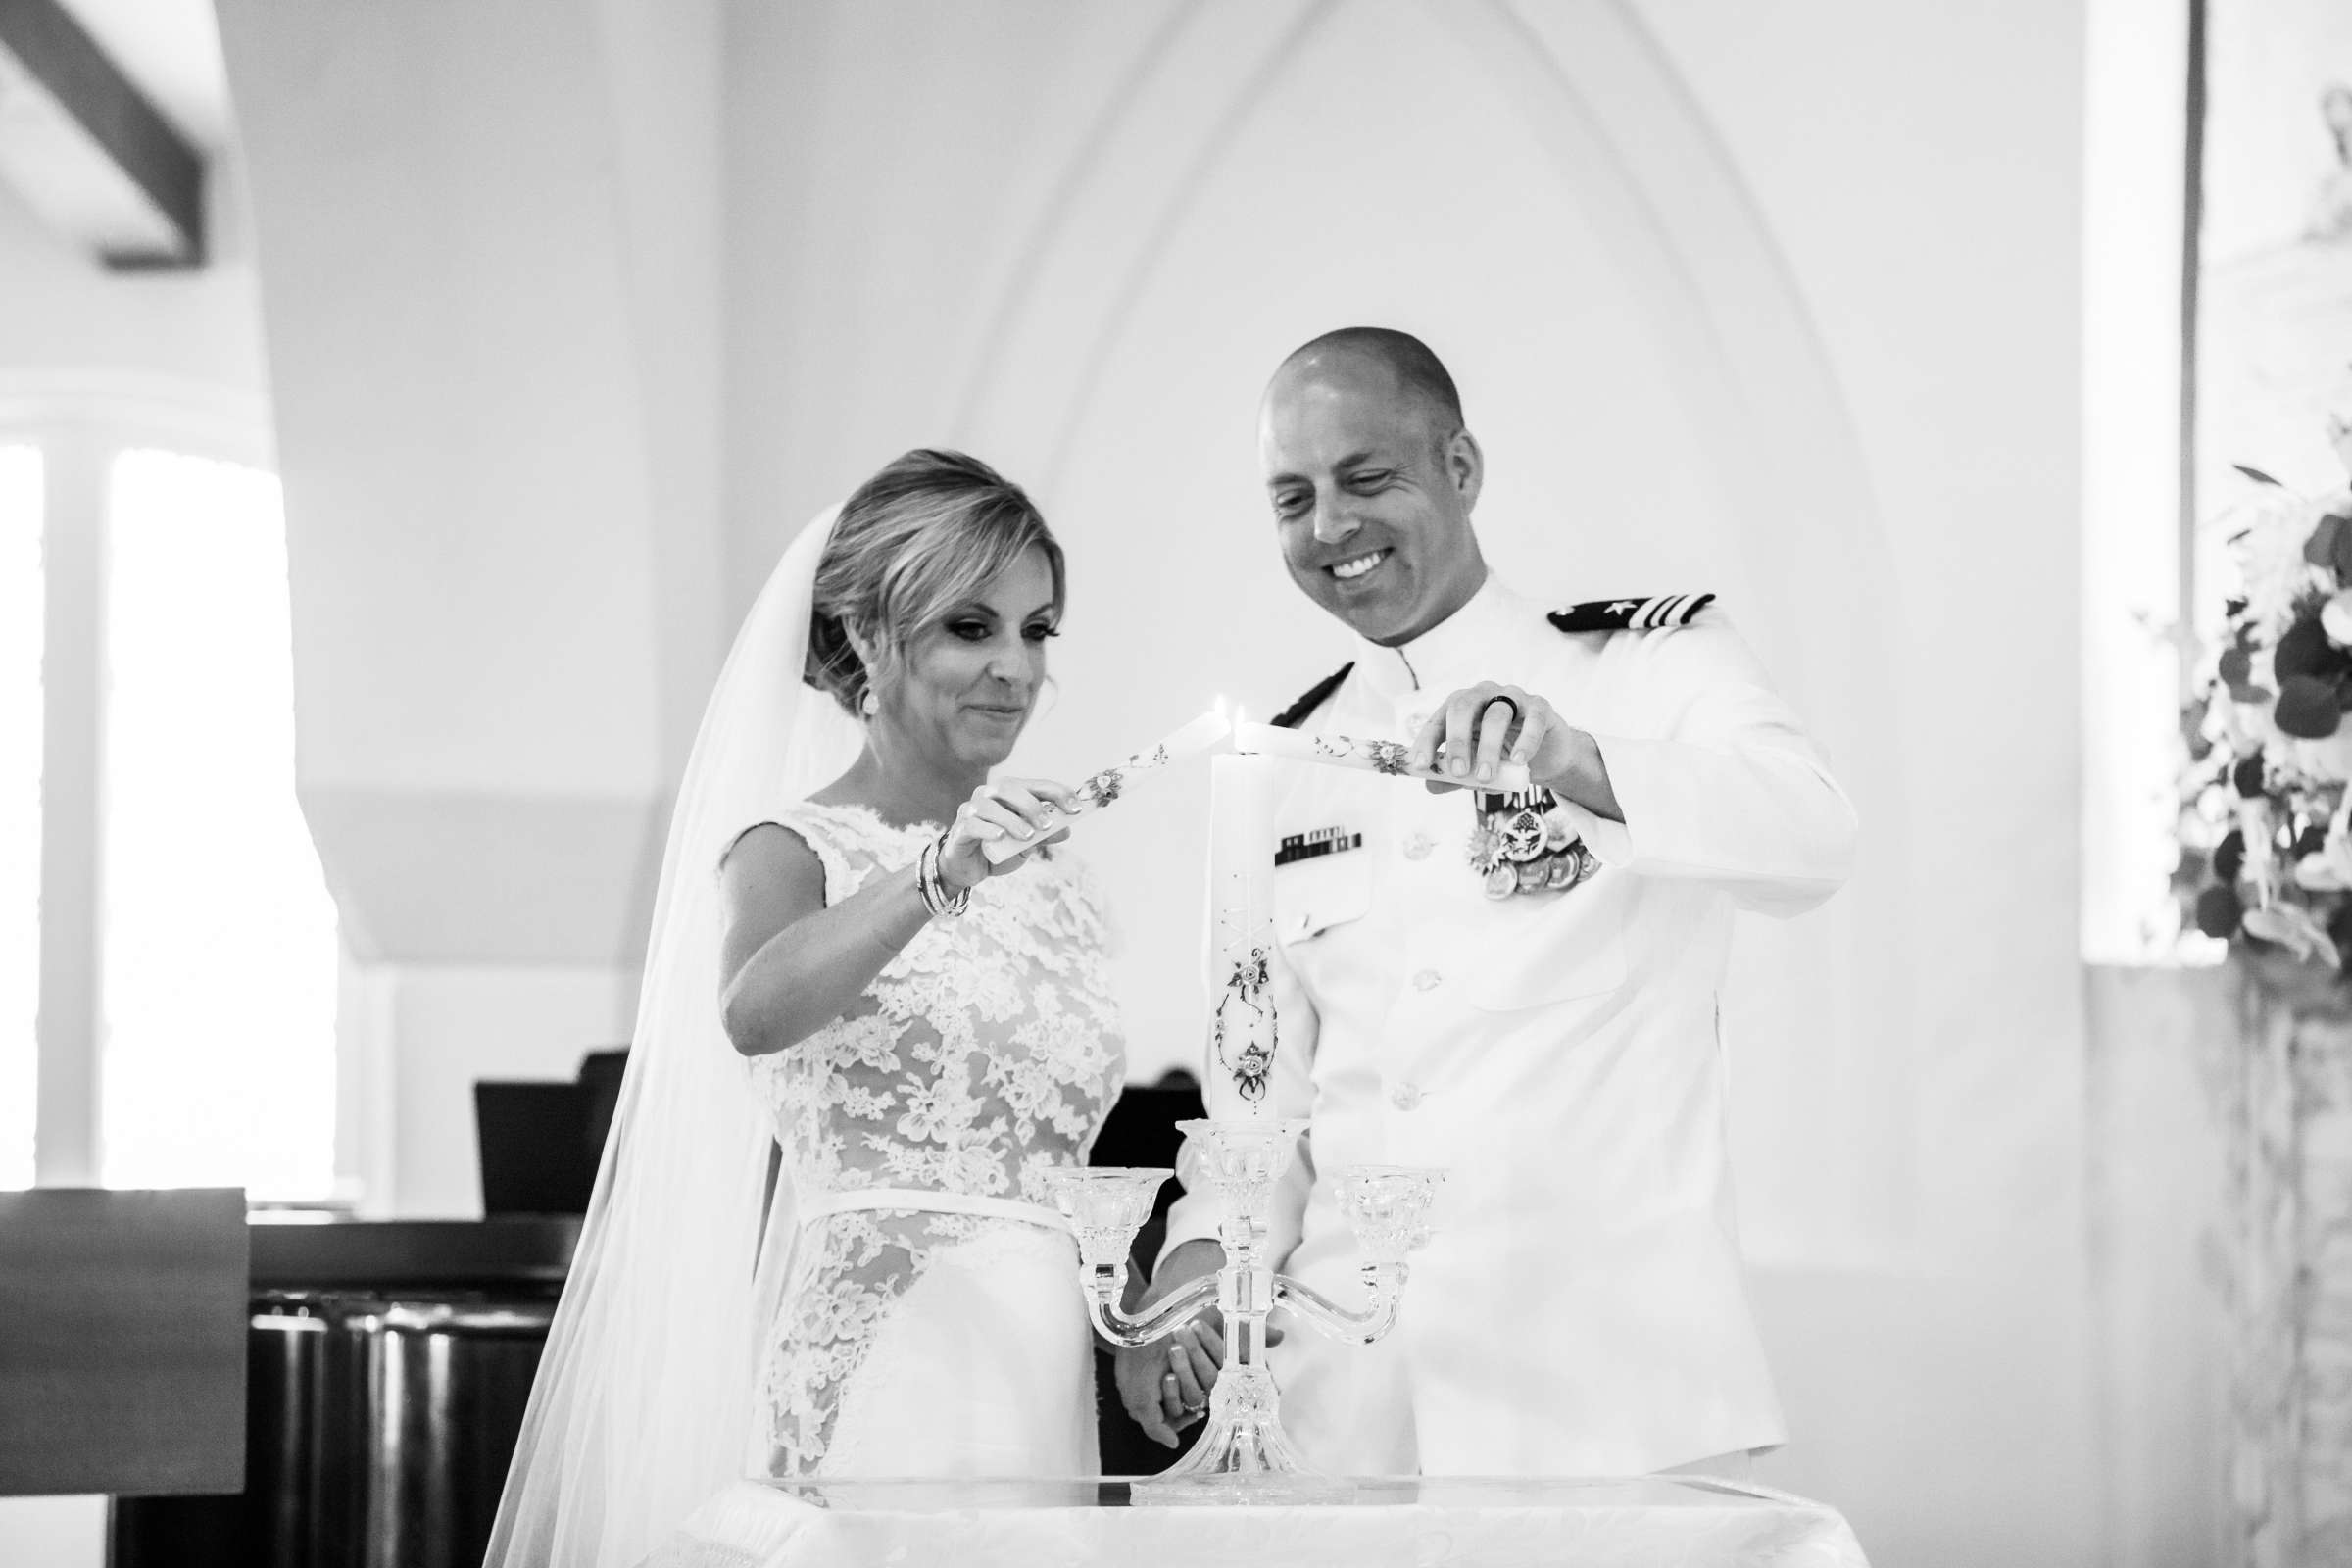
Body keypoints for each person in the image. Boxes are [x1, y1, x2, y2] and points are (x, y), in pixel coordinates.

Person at [1115, 328, 1858, 1477]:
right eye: (1291, 497)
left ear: (1460, 468)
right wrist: (1190, 1266)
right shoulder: (1286, 760)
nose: (1330, 529)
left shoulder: (1641, 669)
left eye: (1368, 479)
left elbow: (1813, 838)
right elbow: (1259, 1104)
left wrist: (1578, 760)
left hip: (1598, 1395)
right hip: (1351, 1399)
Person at [488, 450, 1123, 1568]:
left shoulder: (1060, 874)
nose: (1016, 668)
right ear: (868, 640)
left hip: (1042, 1367)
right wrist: (936, 873)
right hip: (890, 1352)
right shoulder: (791, 848)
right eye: (971, 628)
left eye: (1038, 631)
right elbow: (753, 1007)